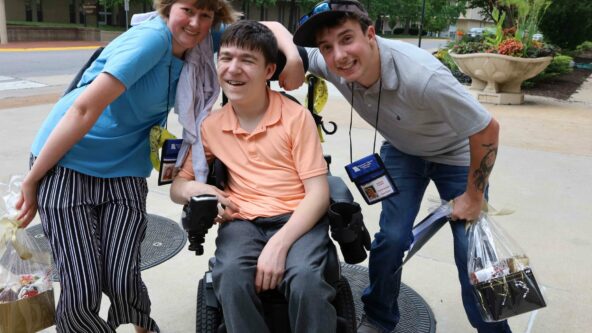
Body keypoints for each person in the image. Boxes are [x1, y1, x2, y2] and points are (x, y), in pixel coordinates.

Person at [14, 1, 302, 332]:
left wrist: (291, 58)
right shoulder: (150, 40)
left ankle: (143, 326)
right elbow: (82, 109)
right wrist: (33, 180)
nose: (195, 22)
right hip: (68, 161)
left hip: (125, 168)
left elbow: (270, 29)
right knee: (82, 286)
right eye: (188, 9)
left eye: (205, 14)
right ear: (168, 7)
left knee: (124, 275)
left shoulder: (202, 36)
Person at [286, 1, 511, 332]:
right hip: (404, 152)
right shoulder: (333, 62)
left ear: (371, 34)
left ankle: (493, 329)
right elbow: (286, 45)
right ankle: (379, 316)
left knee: (471, 249)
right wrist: (292, 61)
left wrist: (474, 196)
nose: (339, 56)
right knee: (391, 238)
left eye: (347, 39)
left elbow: (486, 129)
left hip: (457, 156)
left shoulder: (423, 76)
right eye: (327, 47)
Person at [170, 20, 336, 333]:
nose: (233, 69)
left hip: (298, 217)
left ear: (269, 70)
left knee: (306, 280)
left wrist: (279, 245)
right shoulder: (211, 125)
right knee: (230, 276)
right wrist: (199, 188)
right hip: (242, 220)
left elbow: (318, 193)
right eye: (226, 58)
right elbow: (178, 186)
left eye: (247, 60)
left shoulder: (295, 118)